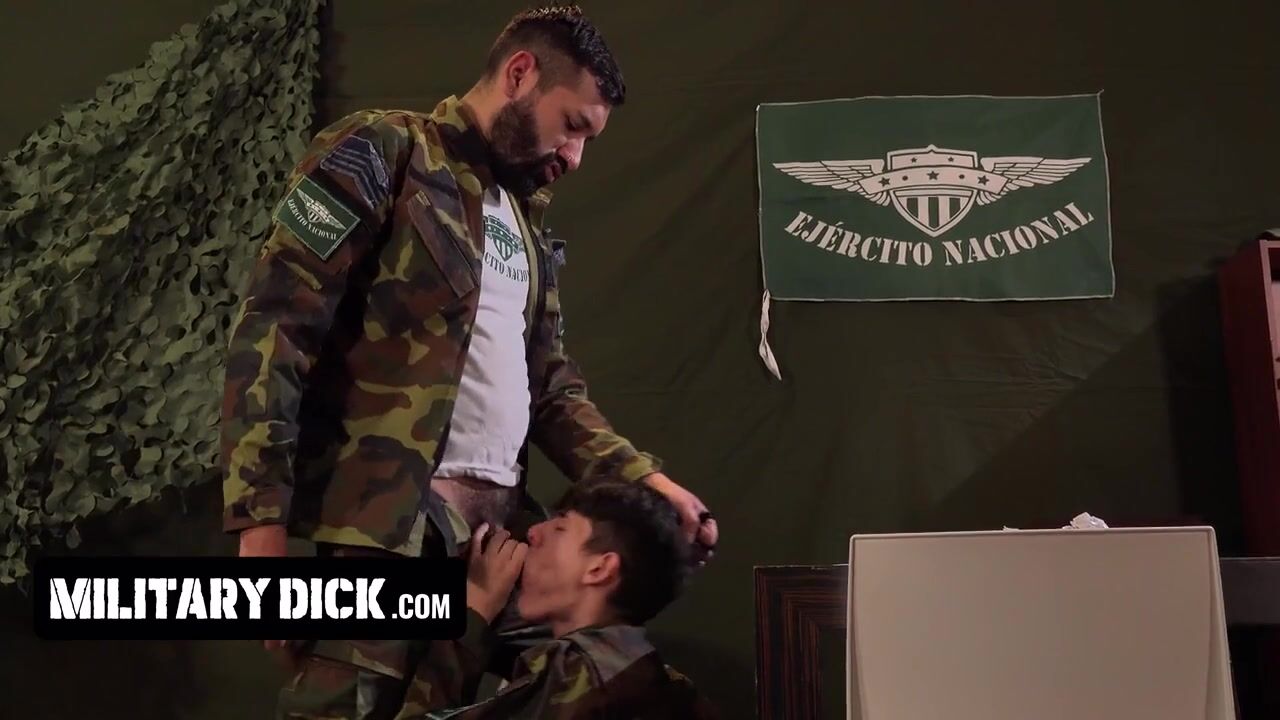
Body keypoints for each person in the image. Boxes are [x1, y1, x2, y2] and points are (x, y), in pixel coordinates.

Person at [218, 4, 718, 718]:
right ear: (520, 74)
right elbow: (275, 328)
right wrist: (259, 526)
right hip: (388, 540)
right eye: (572, 125)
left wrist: (647, 479)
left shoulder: (525, 221)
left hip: (500, 549)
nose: (575, 156)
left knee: (620, 686)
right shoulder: (384, 150)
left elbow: (550, 390)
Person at [421, 480, 720, 719]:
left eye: (560, 528)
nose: (534, 532)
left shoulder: (577, 676)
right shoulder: (655, 682)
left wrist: (473, 610)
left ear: (599, 569)